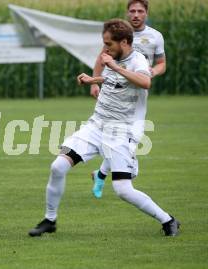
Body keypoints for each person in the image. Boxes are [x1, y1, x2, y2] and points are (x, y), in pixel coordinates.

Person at [28, 19, 179, 237]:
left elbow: (145, 82)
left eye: (109, 44)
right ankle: (50, 220)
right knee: (58, 167)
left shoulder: (138, 61)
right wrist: (93, 79)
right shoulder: (115, 59)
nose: (105, 48)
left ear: (125, 42)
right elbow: (114, 79)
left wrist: (114, 66)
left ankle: (168, 220)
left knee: (122, 189)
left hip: (121, 131)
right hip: (96, 125)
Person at [90, 0, 166, 198]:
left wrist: (152, 72)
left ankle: (100, 174)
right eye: (132, 11)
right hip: (114, 91)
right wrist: (94, 83)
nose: (136, 14)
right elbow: (101, 58)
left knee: (129, 137)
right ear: (127, 13)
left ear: (146, 13)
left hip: (137, 92)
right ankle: (107, 173)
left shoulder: (155, 36)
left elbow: (161, 64)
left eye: (140, 11)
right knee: (118, 138)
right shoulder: (118, 35)